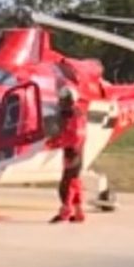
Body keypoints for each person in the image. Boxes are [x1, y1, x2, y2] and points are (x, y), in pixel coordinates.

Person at [49, 86, 87, 224]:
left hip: (72, 153)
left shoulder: (70, 114)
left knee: (66, 185)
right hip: (78, 152)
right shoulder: (79, 112)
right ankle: (78, 213)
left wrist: (56, 143)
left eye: (63, 100)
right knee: (75, 183)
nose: (60, 103)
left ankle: (65, 212)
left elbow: (73, 135)